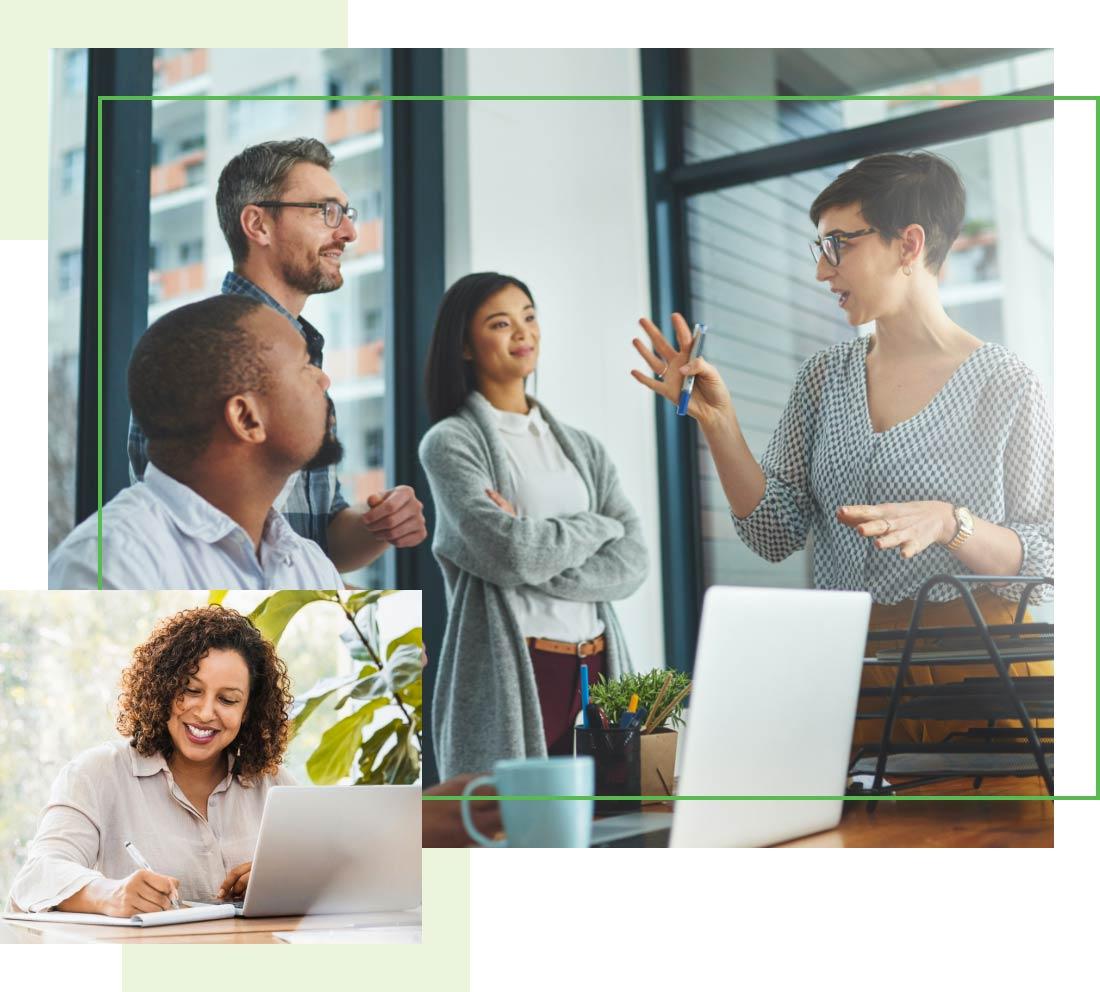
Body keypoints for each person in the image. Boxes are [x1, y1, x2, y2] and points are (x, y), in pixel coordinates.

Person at [632, 151, 1054, 748]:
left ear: (908, 244)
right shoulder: (824, 377)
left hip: (978, 675)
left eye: (839, 246)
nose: (823, 272)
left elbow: (1051, 560)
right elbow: (774, 533)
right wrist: (719, 423)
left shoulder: (1008, 384)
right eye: (819, 250)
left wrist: (950, 523)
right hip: (846, 675)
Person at [128, 137, 426, 572]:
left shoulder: (309, 361)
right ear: (259, 225)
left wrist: (379, 524)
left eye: (346, 213)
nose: (348, 232)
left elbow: (320, 538)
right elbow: (171, 533)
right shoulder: (194, 350)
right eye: (326, 211)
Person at [420, 272, 648, 779]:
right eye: (501, 323)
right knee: (514, 842)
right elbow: (512, 555)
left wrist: (534, 541)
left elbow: (633, 564)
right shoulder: (450, 443)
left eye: (529, 316)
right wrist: (597, 526)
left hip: (599, 665)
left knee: (614, 834)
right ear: (464, 346)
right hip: (519, 667)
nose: (523, 333)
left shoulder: (583, 447)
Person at [8, 607, 295, 914]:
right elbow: (35, 877)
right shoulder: (98, 774)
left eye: (227, 699)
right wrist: (110, 894)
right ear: (163, 688)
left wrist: (281, 882)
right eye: (190, 690)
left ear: (247, 711)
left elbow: (320, 877)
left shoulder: (274, 784)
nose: (206, 712)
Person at [49, 295, 345, 589]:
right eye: (305, 367)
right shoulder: (108, 564)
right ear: (245, 419)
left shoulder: (311, 565)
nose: (324, 381)